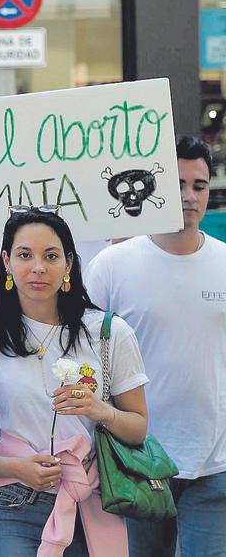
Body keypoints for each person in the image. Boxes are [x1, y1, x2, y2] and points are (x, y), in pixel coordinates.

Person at [0, 206, 149, 555]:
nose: (38, 267)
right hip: (14, 503)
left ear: (69, 264)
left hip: (92, 501)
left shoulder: (109, 333)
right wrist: (15, 467)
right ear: (6, 261)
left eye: (51, 255)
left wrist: (100, 410)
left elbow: (138, 428)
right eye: (24, 255)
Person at [85, 135, 224, 555]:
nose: (189, 195)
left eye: (199, 185)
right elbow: (78, 351)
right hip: (135, 461)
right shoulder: (113, 265)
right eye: (178, 184)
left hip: (215, 461)